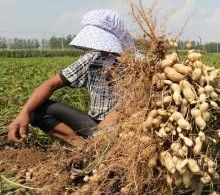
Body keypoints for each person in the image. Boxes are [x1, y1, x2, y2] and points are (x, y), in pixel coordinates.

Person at [7, 9, 135, 146]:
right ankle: (84, 148)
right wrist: (24, 112)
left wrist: (108, 127)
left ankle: (101, 147)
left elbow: (135, 103)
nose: (102, 49)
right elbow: (51, 84)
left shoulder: (139, 65)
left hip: (126, 127)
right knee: (35, 109)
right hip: (94, 125)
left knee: (118, 135)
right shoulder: (93, 58)